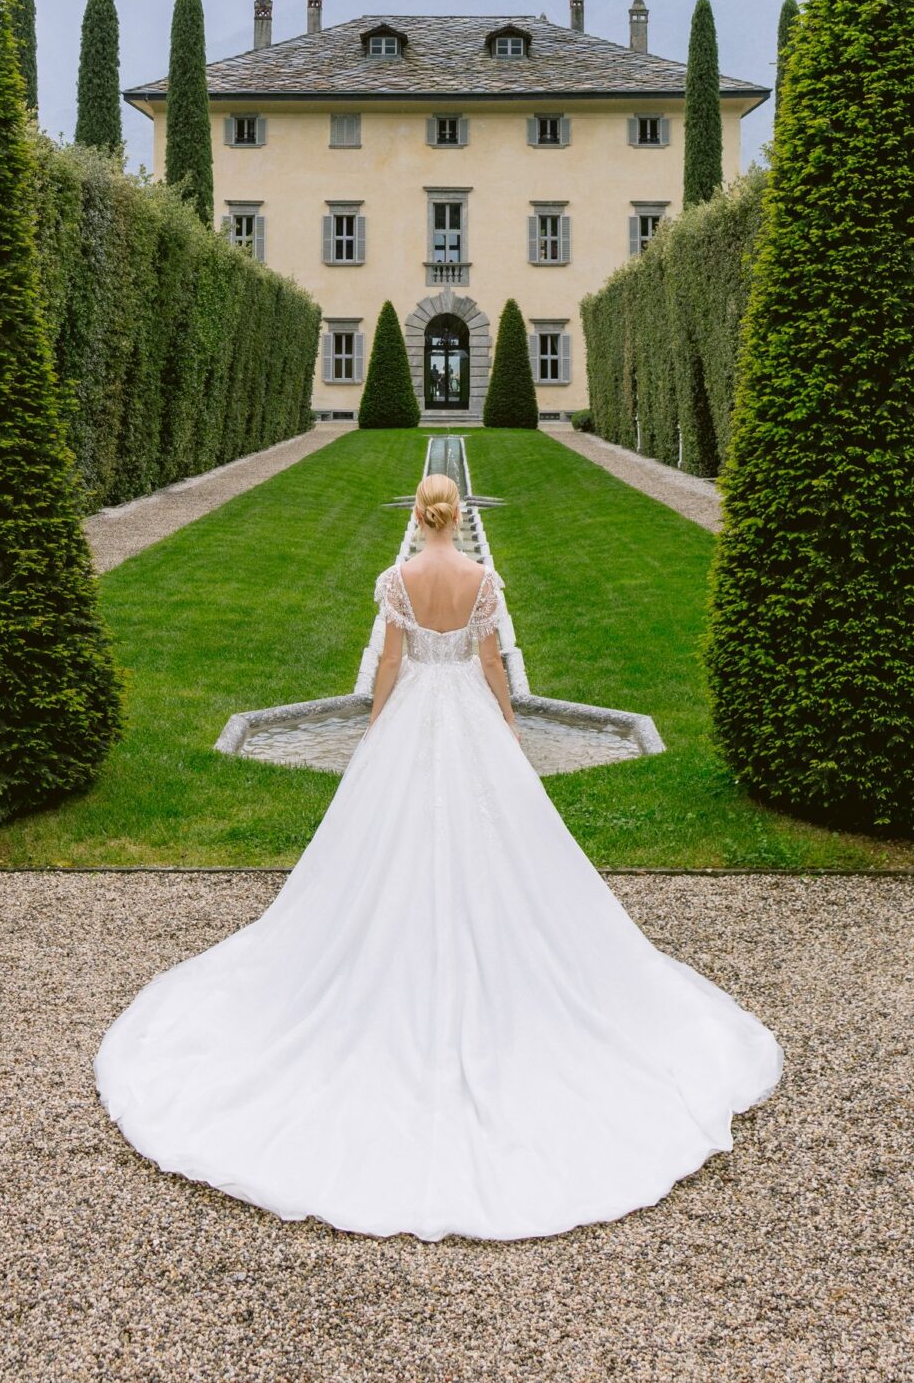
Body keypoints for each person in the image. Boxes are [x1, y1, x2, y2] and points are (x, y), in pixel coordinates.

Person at [95, 471, 781, 1240]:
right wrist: (510, 728)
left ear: (419, 517)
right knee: (501, 846)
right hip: (466, 715)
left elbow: (389, 662)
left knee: (383, 845)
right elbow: (492, 665)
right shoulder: (481, 577)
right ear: (459, 517)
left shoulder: (399, 577)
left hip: (419, 708)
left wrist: (378, 725)